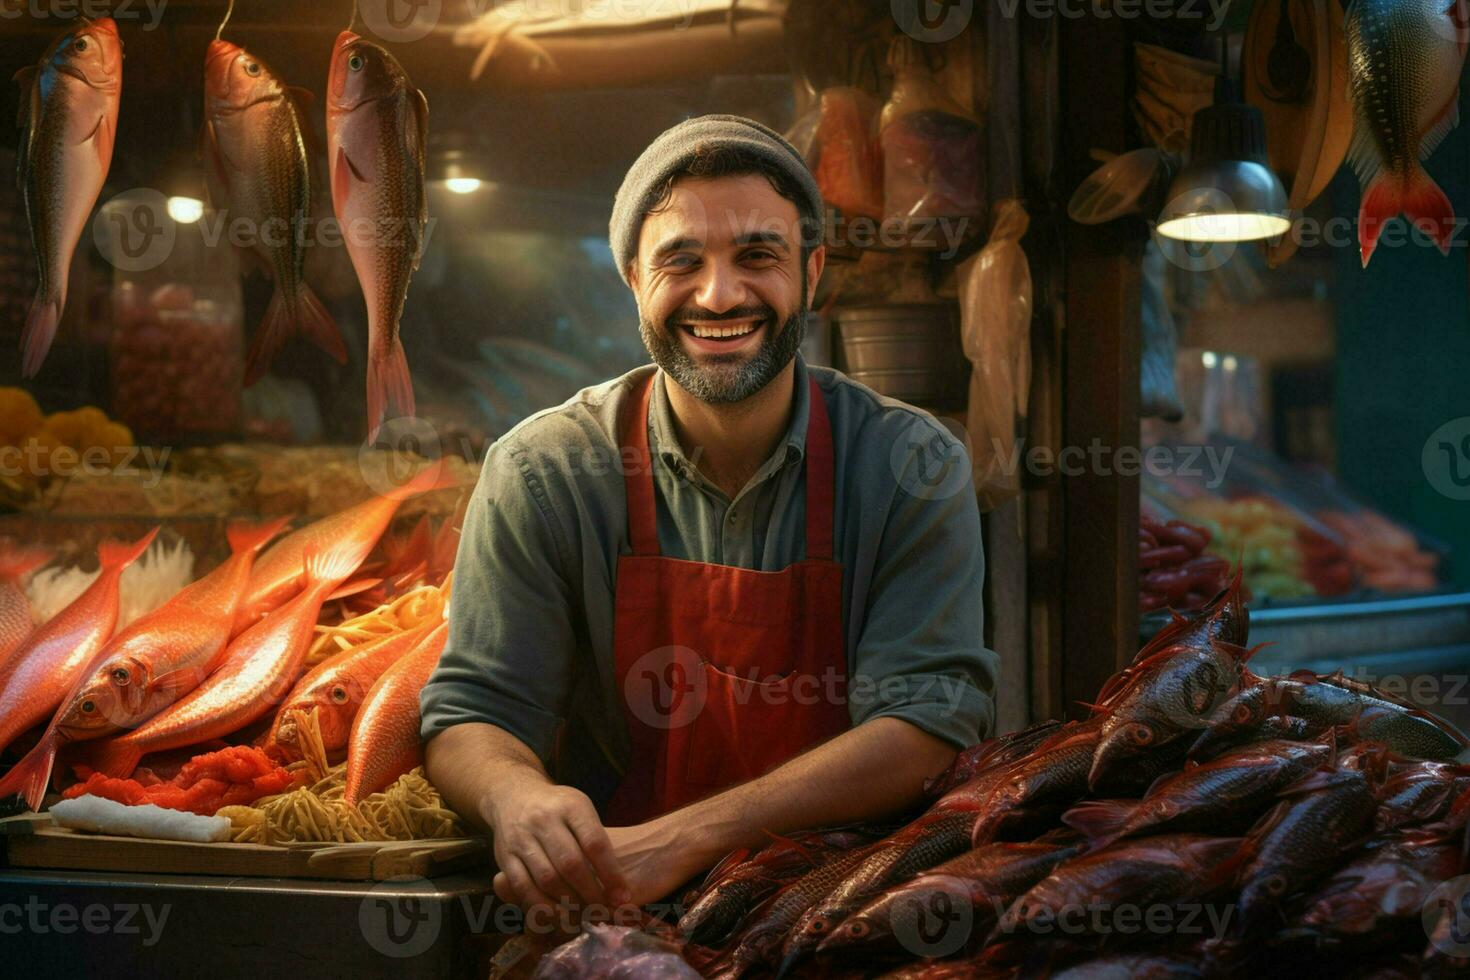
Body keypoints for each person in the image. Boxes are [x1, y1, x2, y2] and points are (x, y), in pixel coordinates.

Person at [422, 114, 997, 911]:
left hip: (844, 914)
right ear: (632, 278)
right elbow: (474, 712)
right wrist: (515, 797)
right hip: (608, 911)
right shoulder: (543, 473)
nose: (719, 295)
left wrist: (686, 837)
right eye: (680, 261)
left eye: (757, 256)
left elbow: (927, 724)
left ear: (814, 271)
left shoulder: (911, 467)